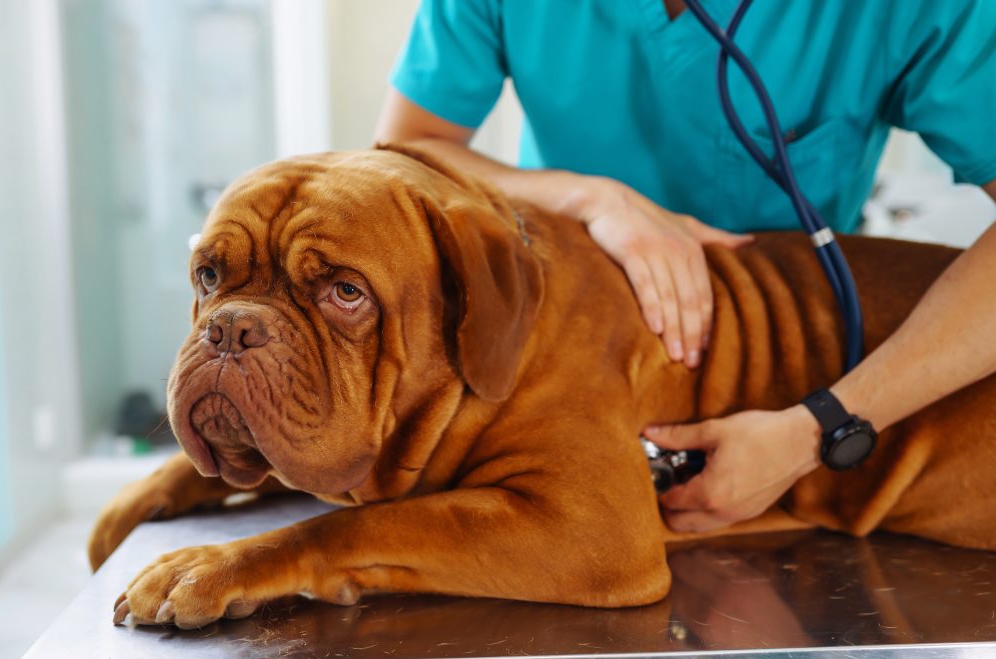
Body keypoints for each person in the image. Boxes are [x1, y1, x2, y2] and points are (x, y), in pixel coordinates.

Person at [375, 0, 996, 532]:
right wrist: (592, 198)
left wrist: (820, 429)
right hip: (560, 355)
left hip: (789, 378)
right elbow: (410, 147)